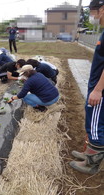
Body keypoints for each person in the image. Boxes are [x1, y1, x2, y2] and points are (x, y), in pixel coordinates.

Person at [69, 0, 104, 175]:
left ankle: (92, 163)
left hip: (101, 89)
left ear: (102, 9)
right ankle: (88, 153)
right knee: (92, 121)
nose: (91, 15)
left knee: (96, 125)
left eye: (92, 11)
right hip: (96, 86)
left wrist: (98, 90)